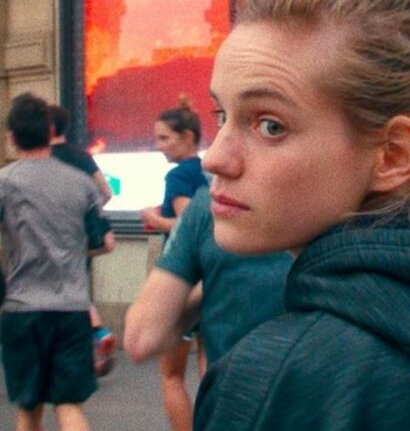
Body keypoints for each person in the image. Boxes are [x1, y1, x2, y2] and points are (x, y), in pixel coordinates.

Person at [193, 0, 410, 430]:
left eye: (270, 125)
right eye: (221, 115)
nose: (215, 158)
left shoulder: (278, 379)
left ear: (392, 155)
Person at [0, 93, 112, 431]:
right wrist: (69, 250)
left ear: (11, 136)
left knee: (28, 409)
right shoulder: (81, 183)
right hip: (72, 308)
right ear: (50, 131)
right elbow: (104, 242)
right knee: (69, 405)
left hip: (22, 308)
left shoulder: (5, 183)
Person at [124, 184, 292, 366]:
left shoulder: (209, 205)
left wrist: (211, 280)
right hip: (308, 377)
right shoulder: (316, 210)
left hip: (232, 377)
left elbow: (142, 339)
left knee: (173, 374)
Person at [140, 97, 208, 431]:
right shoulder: (208, 173)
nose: (159, 146)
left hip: (184, 282)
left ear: (187, 137)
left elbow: (187, 224)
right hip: (213, 277)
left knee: (171, 375)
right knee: (210, 369)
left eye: (164, 138)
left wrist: (153, 217)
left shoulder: (178, 175)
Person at [49, 104, 116, 378]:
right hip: (83, 236)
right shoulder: (82, 157)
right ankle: (96, 336)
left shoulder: (42, 159)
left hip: (53, 235)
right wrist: (88, 213)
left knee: (57, 294)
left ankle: (87, 340)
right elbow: (106, 192)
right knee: (76, 288)